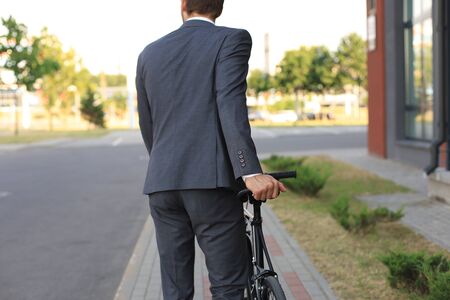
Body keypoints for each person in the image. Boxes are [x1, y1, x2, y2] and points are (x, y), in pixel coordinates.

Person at [136, 0, 286, 298]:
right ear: (219, 6)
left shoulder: (149, 53)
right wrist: (250, 171)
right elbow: (230, 104)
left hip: (162, 185)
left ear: (183, 5)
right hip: (210, 185)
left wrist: (167, 165)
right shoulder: (231, 39)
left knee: (175, 290)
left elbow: (147, 122)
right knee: (227, 288)